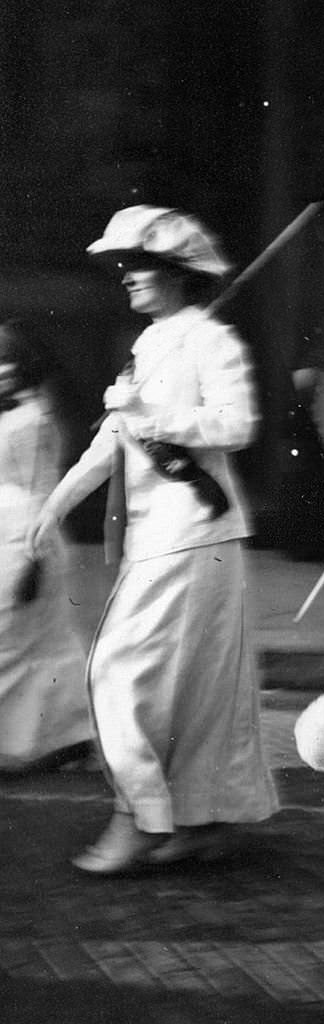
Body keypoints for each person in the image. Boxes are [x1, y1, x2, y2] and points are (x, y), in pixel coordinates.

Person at [29, 205, 278, 872]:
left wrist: (152, 413)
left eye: (138, 265)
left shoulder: (211, 342)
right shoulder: (149, 344)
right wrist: (54, 504)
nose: (127, 278)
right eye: (123, 267)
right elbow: (113, 442)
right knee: (193, 685)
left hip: (197, 532)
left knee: (120, 671)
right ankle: (200, 822)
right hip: (162, 537)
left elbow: (239, 424)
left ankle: (138, 818)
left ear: (176, 272)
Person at [0, 321, 91, 771]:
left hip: (24, 537)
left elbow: (42, 489)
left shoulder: (34, 419)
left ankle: (60, 736)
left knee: (20, 638)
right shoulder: (7, 413)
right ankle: (39, 739)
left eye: (7, 361)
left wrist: (31, 562)